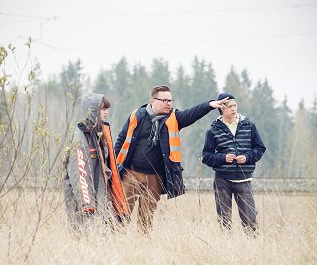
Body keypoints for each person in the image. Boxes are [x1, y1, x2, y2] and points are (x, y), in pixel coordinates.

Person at [114, 85, 230, 233]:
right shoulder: (137, 115)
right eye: (165, 100)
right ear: (153, 101)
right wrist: (114, 163)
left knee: (146, 217)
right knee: (121, 212)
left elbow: (191, 114)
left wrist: (209, 105)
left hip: (155, 177)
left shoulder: (174, 118)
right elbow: (122, 139)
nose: (169, 103)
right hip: (131, 173)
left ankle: (142, 245)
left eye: (170, 100)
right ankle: (115, 240)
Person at [202, 92, 266, 232]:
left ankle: (252, 250)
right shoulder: (213, 130)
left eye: (235, 105)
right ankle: (227, 250)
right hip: (222, 181)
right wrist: (222, 158)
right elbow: (206, 156)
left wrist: (248, 157)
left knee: (250, 222)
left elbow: (260, 148)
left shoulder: (249, 126)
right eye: (229, 106)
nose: (233, 109)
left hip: (244, 180)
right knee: (224, 222)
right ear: (221, 109)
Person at [63, 93, 128, 229]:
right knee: (84, 238)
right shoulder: (80, 137)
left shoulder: (98, 135)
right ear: (93, 110)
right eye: (103, 109)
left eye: (106, 109)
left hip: (100, 201)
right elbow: (79, 174)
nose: (106, 112)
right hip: (84, 205)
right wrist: (87, 205)